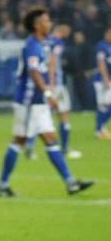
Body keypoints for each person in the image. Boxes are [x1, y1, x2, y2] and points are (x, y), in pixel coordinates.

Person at [0, 7, 93, 197]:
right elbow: (33, 72)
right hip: (29, 102)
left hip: (37, 102)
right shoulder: (32, 45)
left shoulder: (42, 44)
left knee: (49, 139)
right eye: (46, 21)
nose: (49, 24)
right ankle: (3, 186)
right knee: (21, 140)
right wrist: (48, 94)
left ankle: (70, 183)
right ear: (37, 25)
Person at [26, 24, 81, 158]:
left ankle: (30, 146)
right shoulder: (58, 43)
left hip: (41, 84)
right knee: (63, 115)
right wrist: (52, 83)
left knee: (38, 116)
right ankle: (65, 148)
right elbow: (53, 61)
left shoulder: (42, 41)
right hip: (56, 85)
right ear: (62, 30)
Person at [94, 27, 111, 139]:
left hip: (108, 80)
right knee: (103, 106)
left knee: (104, 106)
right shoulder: (102, 46)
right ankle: (100, 129)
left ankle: (100, 129)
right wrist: (105, 79)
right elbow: (101, 63)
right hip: (102, 80)